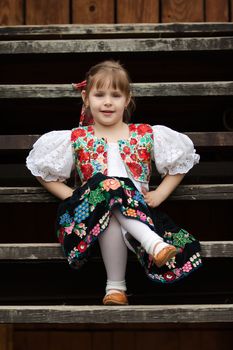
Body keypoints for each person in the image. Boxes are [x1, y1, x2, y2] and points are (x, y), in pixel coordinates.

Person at [26, 60, 202, 306]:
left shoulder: (145, 134)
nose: (107, 101)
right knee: (108, 191)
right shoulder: (77, 138)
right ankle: (154, 244)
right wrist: (72, 195)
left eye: (115, 95)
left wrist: (160, 193)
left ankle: (116, 288)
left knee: (112, 206)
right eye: (100, 95)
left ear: (127, 99)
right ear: (86, 99)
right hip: (89, 213)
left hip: (137, 212)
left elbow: (181, 162)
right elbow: (42, 171)